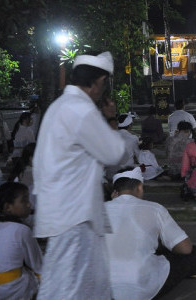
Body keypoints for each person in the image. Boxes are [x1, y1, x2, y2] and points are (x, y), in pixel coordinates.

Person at [33, 50, 127, 299]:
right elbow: (115, 153)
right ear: (99, 81)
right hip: (74, 214)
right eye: (104, 83)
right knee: (67, 286)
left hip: (68, 210)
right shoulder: (80, 109)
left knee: (82, 283)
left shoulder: (60, 106)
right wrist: (111, 118)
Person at [104, 167, 196, 299]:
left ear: (115, 192)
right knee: (194, 253)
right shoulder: (155, 208)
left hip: (102, 288)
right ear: (139, 187)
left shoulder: (98, 210)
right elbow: (185, 248)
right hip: (141, 287)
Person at [0, 182, 43, 300]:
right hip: (12, 290)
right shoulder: (22, 230)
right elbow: (38, 266)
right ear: (8, 207)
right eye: (24, 200)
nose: (29, 204)